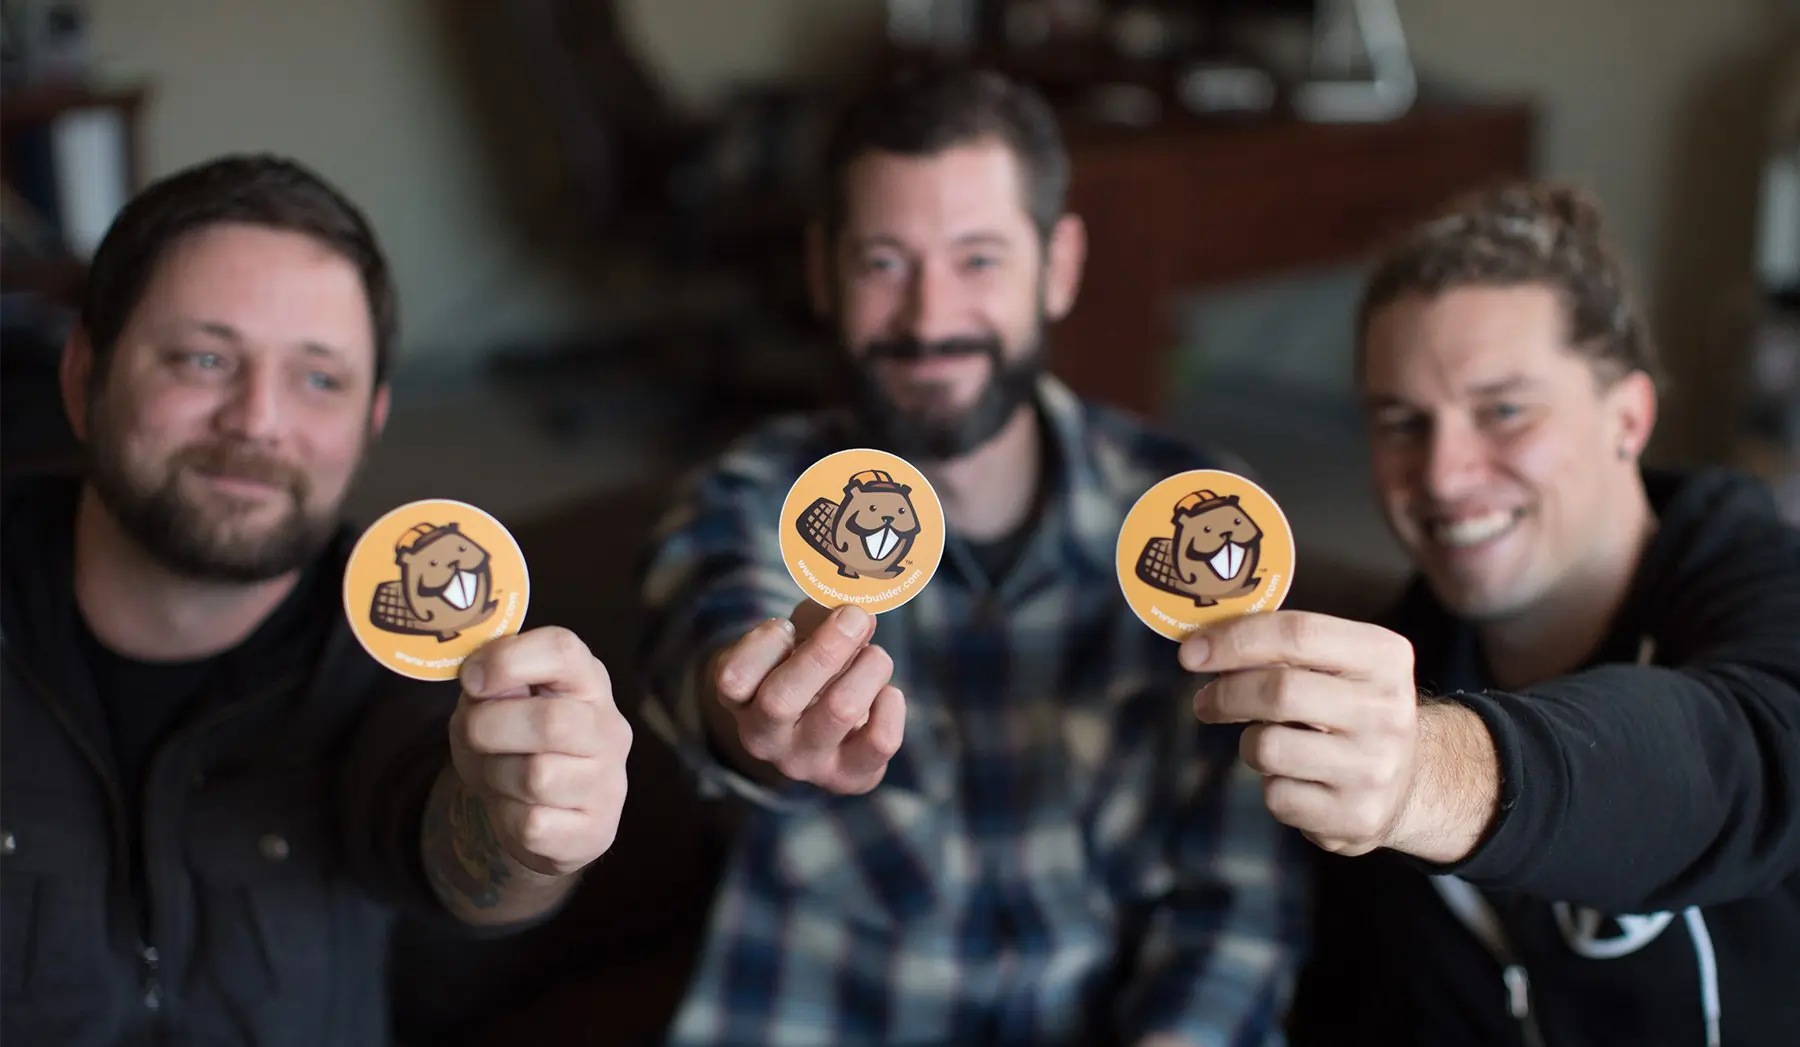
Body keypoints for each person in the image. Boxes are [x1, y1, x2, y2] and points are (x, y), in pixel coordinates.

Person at [637, 65, 1306, 1047]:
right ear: (823, 273)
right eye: (884, 263)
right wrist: (753, 715)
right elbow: (711, 636)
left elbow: (1240, 898)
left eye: (978, 259)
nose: (928, 317)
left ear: (1059, 266)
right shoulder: (748, 496)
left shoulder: (1197, 520)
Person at [0, 154, 633, 1047]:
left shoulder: (406, 651)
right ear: (83, 379)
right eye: (204, 358)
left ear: (370, 425)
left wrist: (531, 833)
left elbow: (455, 846)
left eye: (320, 378)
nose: (259, 419)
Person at [1177, 182, 1800, 1045]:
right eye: (1402, 422)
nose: (1444, 474)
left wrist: (1428, 774)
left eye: (1504, 411)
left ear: (1627, 418)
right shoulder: (1388, 669)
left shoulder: (1764, 590)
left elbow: (1746, 755)